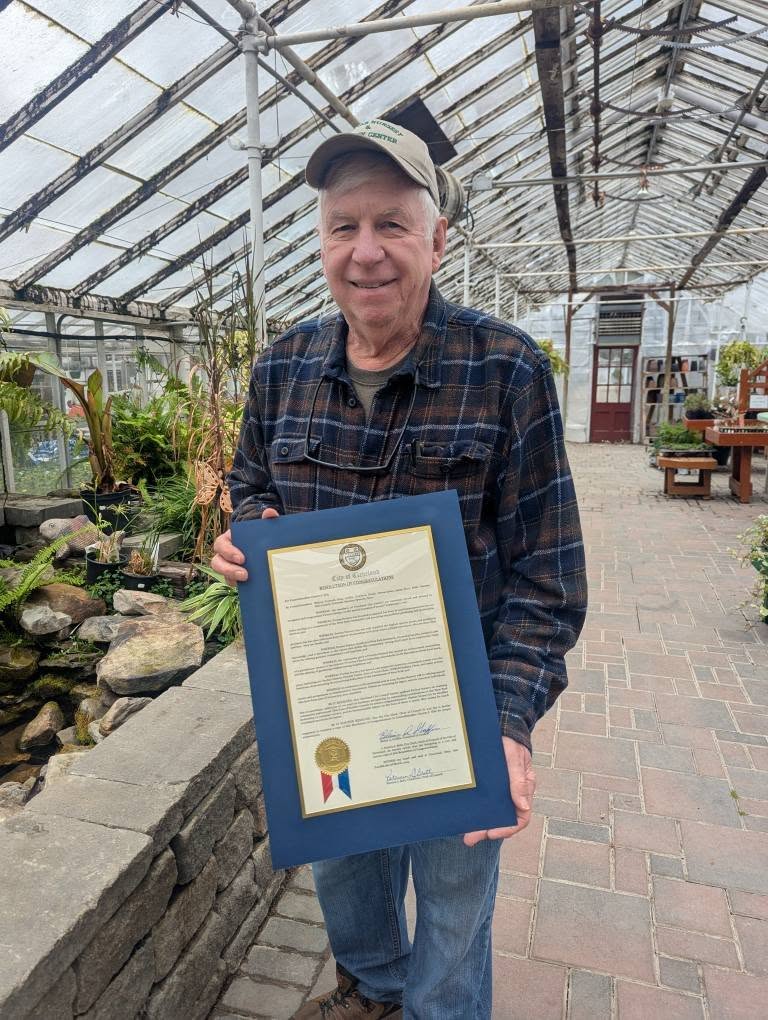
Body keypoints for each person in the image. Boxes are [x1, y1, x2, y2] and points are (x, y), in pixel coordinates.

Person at [212, 119, 587, 1020]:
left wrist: (507, 724)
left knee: (453, 914)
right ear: (321, 240)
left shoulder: (506, 370)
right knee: (344, 879)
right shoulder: (282, 369)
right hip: (328, 703)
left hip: (455, 713)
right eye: (344, 226)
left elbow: (549, 578)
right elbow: (252, 484)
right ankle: (373, 995)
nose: (366, 251)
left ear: (437, 239)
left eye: (392, 224)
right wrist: (247, 533)